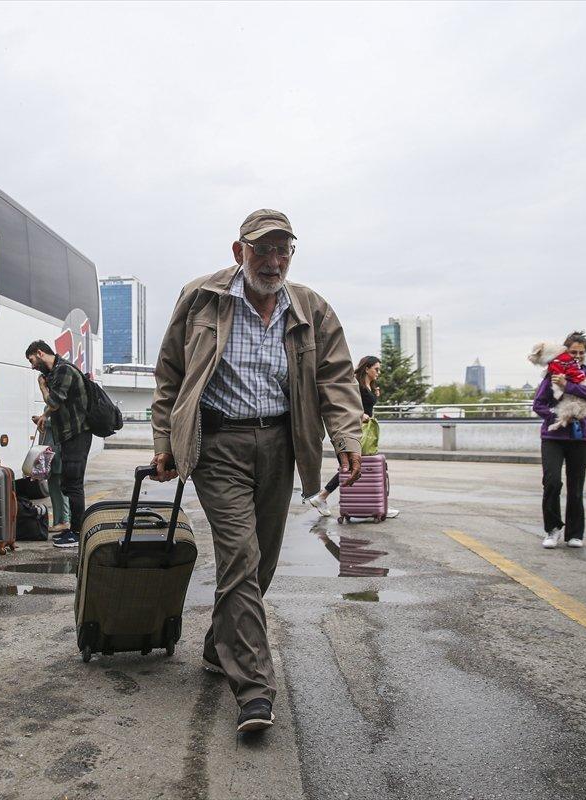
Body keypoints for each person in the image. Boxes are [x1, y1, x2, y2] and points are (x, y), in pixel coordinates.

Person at [150, 208, 364, 734]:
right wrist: (163, 440)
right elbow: (170, 373)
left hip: (280, 445)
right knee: (240, 556)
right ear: (237, 251)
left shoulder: (311, 308)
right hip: (218, 445)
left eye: (281, 250)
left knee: (261, 563)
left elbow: (336, 377)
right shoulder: (201, 297)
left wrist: (347, 437)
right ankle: (254, 690)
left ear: (292, 253)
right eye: (261, 249)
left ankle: (218, 644)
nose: (272, 261)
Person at [532, 331, 586, 549]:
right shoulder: (551, 374)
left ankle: (575, 534)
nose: (578, 356)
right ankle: (552, 530)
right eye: (573, 352)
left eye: (581, 352)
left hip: (579, 439)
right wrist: (559, 417)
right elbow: (538, 404)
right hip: (553, 436)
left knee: (576, 487)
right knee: (551, 482)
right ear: (565, 352)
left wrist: (567, 385)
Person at [305, 355, 394, 517]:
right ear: (366, 368)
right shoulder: (356, 386)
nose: (378, 372)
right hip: (354, 430)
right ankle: (323, 496)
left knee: (361, 466)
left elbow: (368, 404)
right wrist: (361, 415)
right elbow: (347, 405)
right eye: (376, 369)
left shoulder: (370, 385)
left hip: (365, 431)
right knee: (354, 466)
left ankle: (379, 505)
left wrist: (375, 394)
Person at [25, 340, 91, 549]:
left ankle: (77, 532)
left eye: (32, 360)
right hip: (68, 435)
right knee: (68, 483)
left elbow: (54, 401)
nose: (32, 365)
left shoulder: (64, 370)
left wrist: (43, 387)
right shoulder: (57, 371)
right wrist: (45, 416)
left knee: (73, 483)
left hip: (77, 434)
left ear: (40, 353)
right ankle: (72, 530)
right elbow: (55, 407)